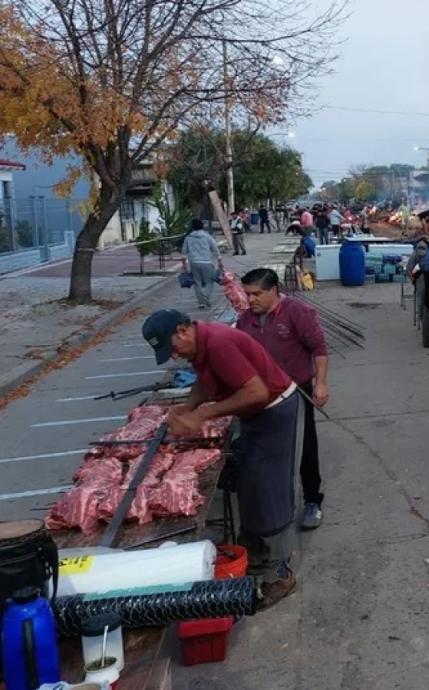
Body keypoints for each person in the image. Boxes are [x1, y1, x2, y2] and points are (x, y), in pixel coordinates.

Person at [141, 309, 300, 609]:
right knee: (251, 487)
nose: (174, 356)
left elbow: (256, 392)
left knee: (267, 490)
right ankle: (254, 554)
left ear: (184, 329)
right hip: (257, 414)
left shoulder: (218, 343)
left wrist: (202, 414)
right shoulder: (202, 346)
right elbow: (206, 379)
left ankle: (278, 573)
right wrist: (188, 407)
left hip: (272, 412)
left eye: (173, 348)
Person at [237, 269, 329, 530]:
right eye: (247, 294)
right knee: (267, 451)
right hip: (260, 395)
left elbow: (319, 348)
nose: (251, 300)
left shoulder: (297, 313)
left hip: (295, 391)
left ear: (273, 290)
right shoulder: (246, 320)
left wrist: (320, 383)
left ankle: (312, 500)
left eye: (257, 294)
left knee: (304, 446)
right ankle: (273, 507)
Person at [181, 219, 221, 310]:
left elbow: (184, 253)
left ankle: (201, 303)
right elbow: (215, 249)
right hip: (206, 262)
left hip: (194, 263)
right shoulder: (208, 237)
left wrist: (184, 265)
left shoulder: (188, 238)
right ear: (202, 226)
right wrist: (220, 261)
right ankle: (206, 296)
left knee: (197, 282)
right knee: (209, 281)